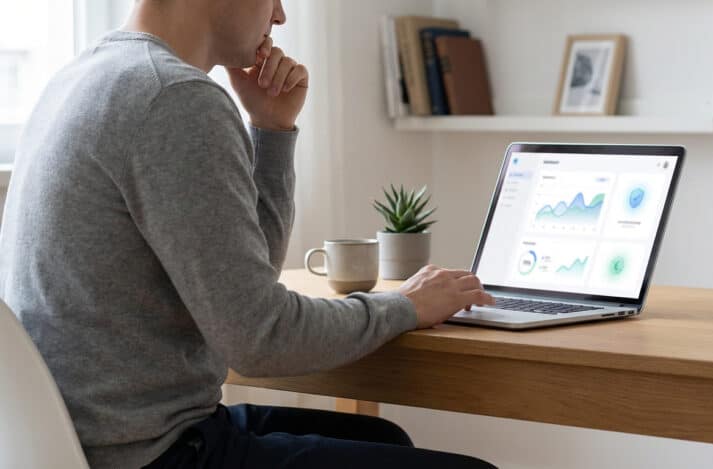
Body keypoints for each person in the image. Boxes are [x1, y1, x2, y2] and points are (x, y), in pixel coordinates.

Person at [0, 0, 498, 467]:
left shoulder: (81, 76)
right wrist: (408, 305)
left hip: (92, 443)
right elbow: (261, 338)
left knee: (384, 441)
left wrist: (272, 129)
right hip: (154, 453)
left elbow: (245, 286)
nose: (279, 15)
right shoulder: (173, 98)